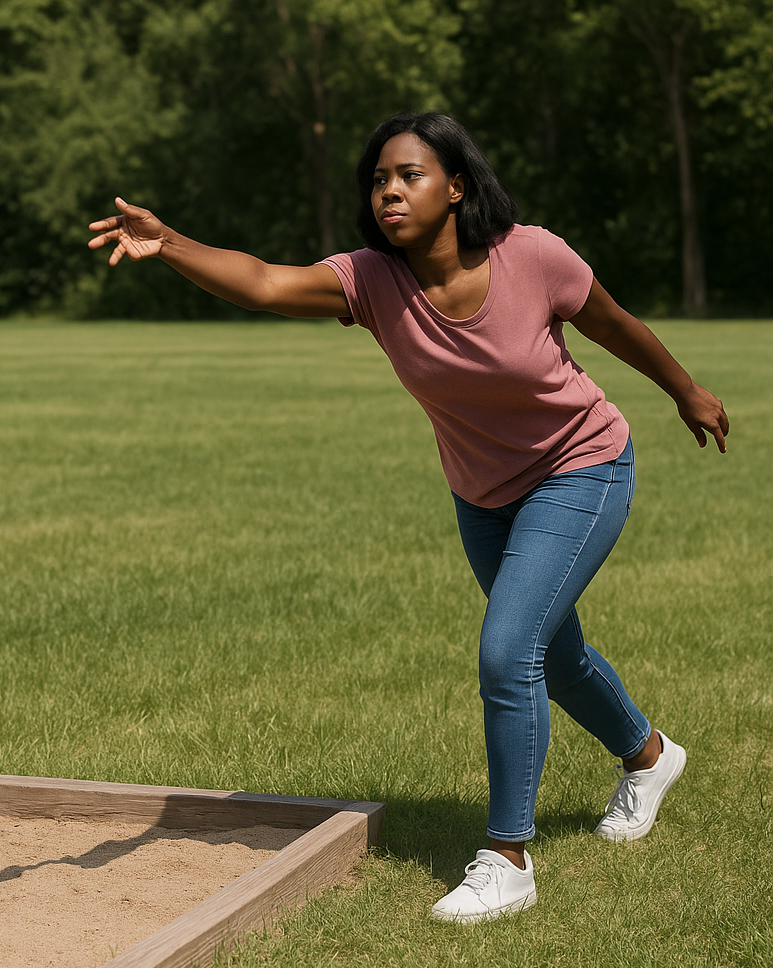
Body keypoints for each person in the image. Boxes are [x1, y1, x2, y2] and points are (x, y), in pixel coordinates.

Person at [87, 111, 729, 924]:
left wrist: (684, 389)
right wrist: (169, 242)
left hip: (583, 466)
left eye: (409, 175)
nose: (388, 189)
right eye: (379, 179)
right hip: (483, 494)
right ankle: (650, 757)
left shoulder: (534, 255)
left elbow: (613, 324)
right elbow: (261, 281)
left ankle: (507, 858)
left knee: (508, 651)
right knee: (553, 656)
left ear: (457, 187)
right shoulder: (371, 280)